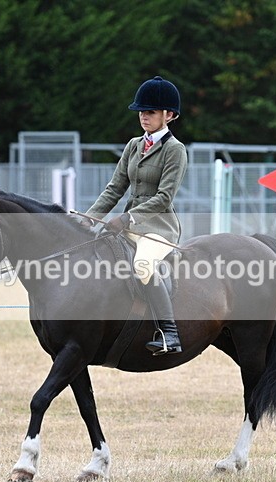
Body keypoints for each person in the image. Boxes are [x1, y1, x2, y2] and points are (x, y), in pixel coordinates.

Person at [83, 76, 187, 355]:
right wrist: (88, 218)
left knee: (143, 264)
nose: (144, 116)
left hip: (158, 228)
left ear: (169, 115)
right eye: (141, 111)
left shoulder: (175, 150)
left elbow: (164, 197)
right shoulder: (133, 145)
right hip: (129, 226)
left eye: (150, 111)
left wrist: (127, 218)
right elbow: (114, 188)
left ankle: (169, 333)